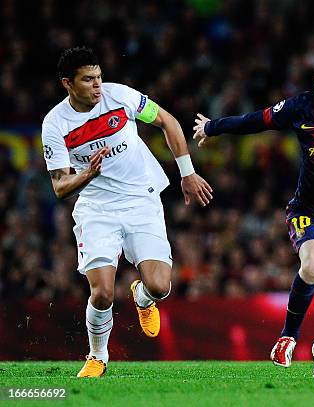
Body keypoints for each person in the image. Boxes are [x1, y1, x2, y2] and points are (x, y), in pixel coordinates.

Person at [193, 51, 314, 377]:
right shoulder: (301, 107)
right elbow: (258, 120)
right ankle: (287, 337)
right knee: (313, 265)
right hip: (309, 210)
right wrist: (214, 126)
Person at [41, 46, 213, 377]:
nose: (97, 86)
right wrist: (87, 175)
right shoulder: (55, 124)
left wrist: (187, 172)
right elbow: (60, 187)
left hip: (141, 200)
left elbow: (168, 121)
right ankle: (97, 357)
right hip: (96, 208)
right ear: (67, 83)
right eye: (88, 80)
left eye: (99, 77)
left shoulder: (119, 97)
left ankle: (143, 297)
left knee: (161, 286)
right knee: (102, 291)